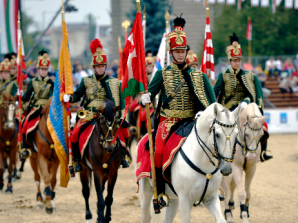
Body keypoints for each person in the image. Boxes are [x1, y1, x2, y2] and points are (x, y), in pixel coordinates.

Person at [140, 15, 216, 207]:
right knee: (157, 152)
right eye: (177, 51)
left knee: (214, 143)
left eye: (183, 51)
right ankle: (159, 193)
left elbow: (212, 104)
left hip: (192, 120)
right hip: (169, 122)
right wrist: (144, 98)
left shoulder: (198, 75)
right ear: (171, 52)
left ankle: (215, 186)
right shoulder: (162, 73)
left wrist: (204, 114)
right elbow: (149, 95)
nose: (181, 54)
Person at [63, 39, 130, 172]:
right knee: (75, 133)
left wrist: (121, 117)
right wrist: (68, 97)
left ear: (106, 67)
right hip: (88, 115)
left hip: (107, 116)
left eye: (103, 66)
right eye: (98, 66)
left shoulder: (114, 82)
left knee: (125, 131)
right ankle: (77, 160)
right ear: (94, 67)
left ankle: (123, 156)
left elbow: (121, 102)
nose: (100, 68)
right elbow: (77, 96)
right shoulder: (85, 81)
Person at [214, 32, 272, 162]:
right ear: (230, 61)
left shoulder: (250, 76)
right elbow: (215, 92)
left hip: (244, 110)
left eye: (239, 60)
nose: (237, 62)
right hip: (227, 111)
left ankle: (263, 152)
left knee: (264, 126)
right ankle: (217, 155)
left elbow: (256, 95)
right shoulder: (223, 75)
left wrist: (246, 102)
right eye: (235, 60)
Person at [20, 50, 54, 159]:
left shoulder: (51, 83)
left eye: (45, 69)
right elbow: (26, 97)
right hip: (35, 108)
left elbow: (51, 97)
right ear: (38, 70)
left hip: (47, 108)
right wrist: (21, 95)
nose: (44, 71)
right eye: (42, 69)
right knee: (25, 123)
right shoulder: (32, 82)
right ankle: (25, 147)